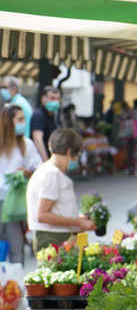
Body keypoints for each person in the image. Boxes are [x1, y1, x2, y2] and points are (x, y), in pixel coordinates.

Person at [26, 128, 95, 253]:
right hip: (53, 238)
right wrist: (78, 222)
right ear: (69, 152)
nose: (75, 160)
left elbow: (56, 209)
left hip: (58, 236)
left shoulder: (49, 171)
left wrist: (79, 218)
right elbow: (43, 215)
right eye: (77, 155)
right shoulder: (51, 175)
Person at [0, 105, 42, 263]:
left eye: (23, 119)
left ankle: (15, 282)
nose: (23, 123)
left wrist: (27, 173)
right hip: (1, 199)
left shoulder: (27, 144)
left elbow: (38, 168)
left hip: (16, 204)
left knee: (16, 245)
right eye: (20, 119)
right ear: (8, 122)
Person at [30, 86, 61, 161]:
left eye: (58, 99)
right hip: (40, 161)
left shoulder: (53, 116)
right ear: (43, 98)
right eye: (52, 98)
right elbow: (37, 139)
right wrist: (46, 161)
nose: (55, 101)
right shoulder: (39, 115)